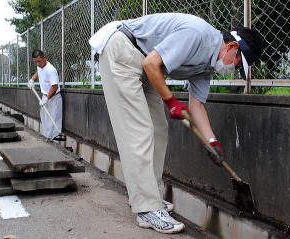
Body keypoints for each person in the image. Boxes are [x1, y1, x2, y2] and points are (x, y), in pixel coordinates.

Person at [89, 13, 264, 234]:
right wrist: (171, 101)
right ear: (231, 46)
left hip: (147, 67)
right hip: (123, 52)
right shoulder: (197, 34)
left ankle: (149, 196)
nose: (235, 68)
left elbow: (196, 106)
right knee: (139, 131)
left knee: (159, 130)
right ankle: (147, 208)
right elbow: (152, 63)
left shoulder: (207, 66)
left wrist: (212, 142)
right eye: (238, 62)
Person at [28, 50, 64, 142]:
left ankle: (56, 144)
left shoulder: (51, 70)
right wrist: (32, 80)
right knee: (45, 119)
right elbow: (38, 73)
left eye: (39, 61)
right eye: (35, 62)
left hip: (54, 98)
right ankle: (47, 141)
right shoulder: (40, 66)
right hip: (45, 97)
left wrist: (46, 98)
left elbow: (54, 86)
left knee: (54, 121)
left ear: (44, 58)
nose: (37, 63)